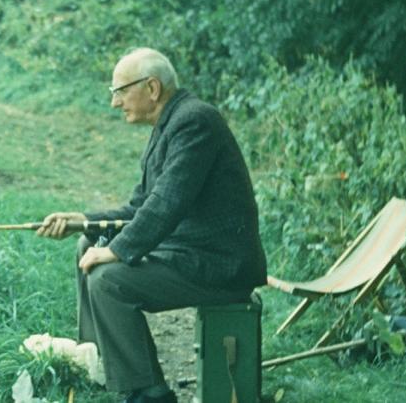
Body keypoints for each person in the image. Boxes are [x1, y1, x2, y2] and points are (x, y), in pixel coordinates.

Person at [36, 48, 267, 403]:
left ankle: (149, 392)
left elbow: (167, 205)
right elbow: (141, 206)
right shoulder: (172, 123)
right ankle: (100, 361)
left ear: (153, 88)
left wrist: (114, 251)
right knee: (86, 245)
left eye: (121, 92)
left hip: (220, 266)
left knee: (108, 280)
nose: (116, 103)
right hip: (192, 251)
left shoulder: (195, 122)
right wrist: (82, 222)